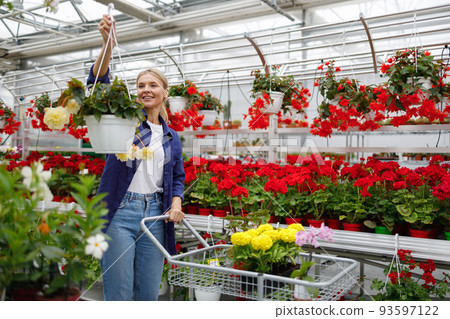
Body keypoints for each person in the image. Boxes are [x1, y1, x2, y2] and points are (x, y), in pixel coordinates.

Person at [87, 14, 185, 301]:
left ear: (165, 93)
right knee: (118, 293)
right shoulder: (126, 120)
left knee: (148, 294)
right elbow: (98, 83)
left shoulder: (172, 137)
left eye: (153, 85)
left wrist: (176, 200)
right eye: (141, 85)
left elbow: (177, 176)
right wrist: (107, 44)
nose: (146, 89)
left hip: (155, 214)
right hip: (121, 212)